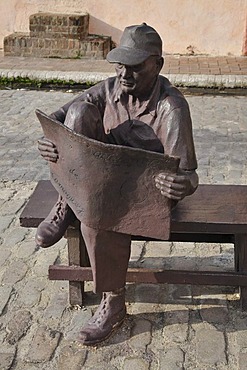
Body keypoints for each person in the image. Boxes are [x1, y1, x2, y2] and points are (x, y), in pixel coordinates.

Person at [36, 23, 198, 345]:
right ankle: (67, 201)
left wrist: (181, 185)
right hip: (101, 177)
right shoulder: (109, 89)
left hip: (143, 192)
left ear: (157, 65)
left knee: (98, 220)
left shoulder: (171, 107)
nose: (124, 75)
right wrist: (50, 141)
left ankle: (114, 301)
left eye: (135, 67)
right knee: (79, 113)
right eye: (120, 65)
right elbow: (56, 119)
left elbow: (189, 175)